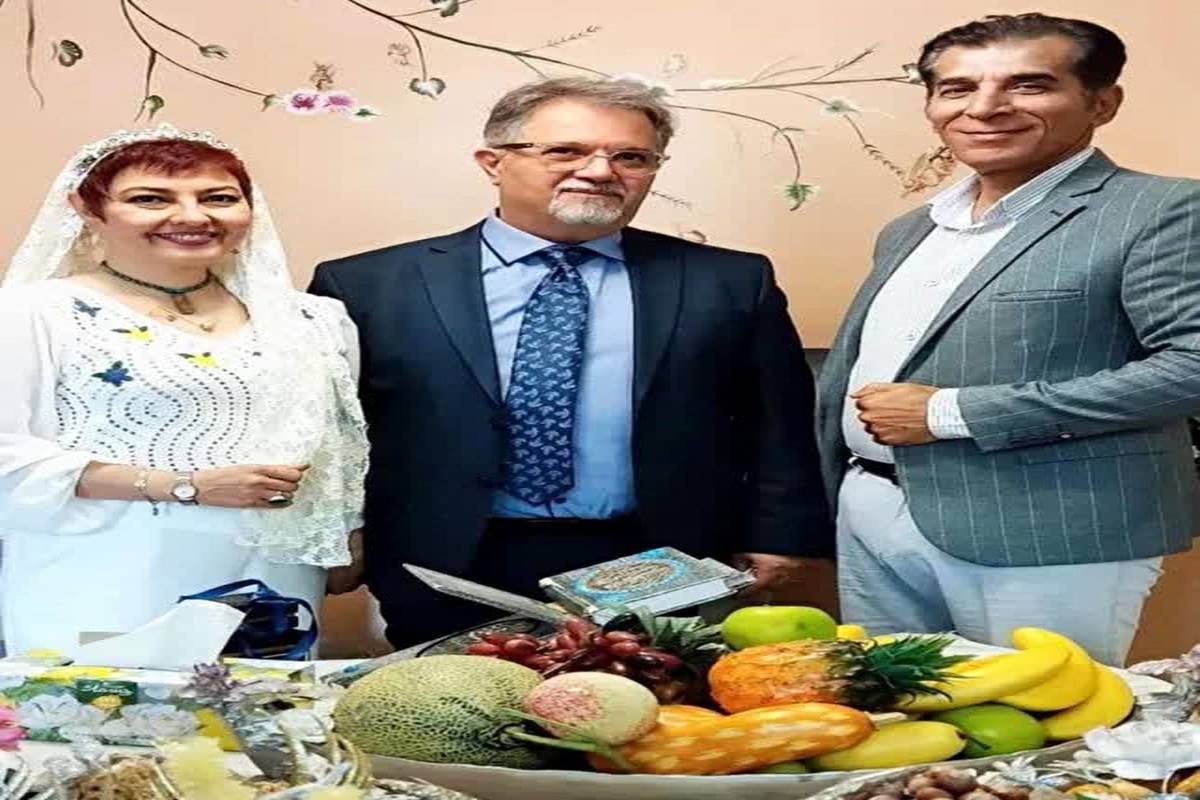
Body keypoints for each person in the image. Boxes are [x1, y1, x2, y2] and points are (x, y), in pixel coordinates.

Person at [310, 77, 833, 648]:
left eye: (631, 157)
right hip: (447, 556)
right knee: (453, 701)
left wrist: (782, 535)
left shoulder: (729, 281)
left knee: (650, 699)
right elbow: (331, 432)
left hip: (662, 557)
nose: (601, 171)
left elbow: (777, 422)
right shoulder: (367, 285)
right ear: (493, 163)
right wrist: (336, 534)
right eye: (566, 150)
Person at [816, 13, 1200, 665]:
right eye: (958, 88)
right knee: (895, 713)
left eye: (1028, 85)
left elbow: (1191, 366)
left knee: (1039, 721)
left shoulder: (1162, 209)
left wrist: (951, 413)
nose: (986, 107)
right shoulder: (911, 228)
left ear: (1102, 102)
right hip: (871, 512)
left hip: (1049, 527)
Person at [0, 124, 369, 655]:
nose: (193, 216)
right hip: (106, 568)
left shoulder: (313, 319)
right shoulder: (35, 313)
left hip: (274, 572)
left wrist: (347, 532)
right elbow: (8, 454)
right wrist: (185, 485)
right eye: (150, 199)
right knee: (116, 703)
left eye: (218, 198)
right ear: (86, 207)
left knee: (262, 705)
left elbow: (341, 444)